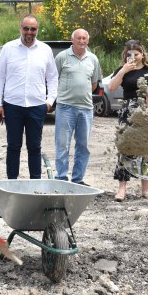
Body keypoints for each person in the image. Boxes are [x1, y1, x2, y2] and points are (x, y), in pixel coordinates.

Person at [0, 15, 58, 179]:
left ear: (37, 30)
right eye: (26, 28)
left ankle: (35, 183)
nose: (29, 32)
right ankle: (12, 183)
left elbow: (52, 77)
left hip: (37, 106)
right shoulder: (8, 48)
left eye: (33, 29)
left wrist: (49, 101)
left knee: (35, 147)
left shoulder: (45, 50)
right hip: (12, 105)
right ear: (20, 28)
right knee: (13, 146)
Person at [54, 28, 101, 185]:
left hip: (86, 108)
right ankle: (61, 178)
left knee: (83, 146)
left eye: (84, 38)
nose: (82, 41)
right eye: (79, 38)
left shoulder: (93, 59)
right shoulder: (62, 57)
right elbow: (54, 79)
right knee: (62, 145)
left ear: (88, 40)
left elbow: (94, 83)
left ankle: (78, 179)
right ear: (72, 40)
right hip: (65, 107)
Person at [109, 40, 148, 201]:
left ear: (142, 54)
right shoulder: (123, 70)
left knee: (147, 148)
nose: (133, 57)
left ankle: (145, 189)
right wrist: (123, 71)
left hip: (146, 110)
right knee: (125, 148)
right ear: (125, 55)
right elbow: (112, 87)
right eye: (130, 54)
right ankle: (122, 189)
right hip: (127, 110)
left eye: (136, 54)